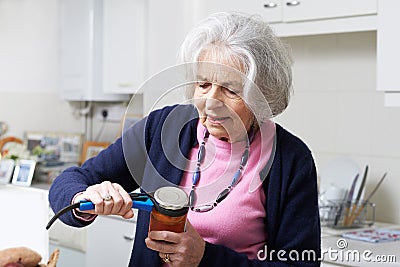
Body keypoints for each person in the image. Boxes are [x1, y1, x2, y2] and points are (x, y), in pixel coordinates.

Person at [49, 12, 321, 266]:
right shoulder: (162, 128)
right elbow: (67, 183)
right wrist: (85, 197)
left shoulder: (290, 159)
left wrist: (204, 257)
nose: (211, 102)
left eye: (230, 90)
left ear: (260, 95)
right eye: (203, 85)